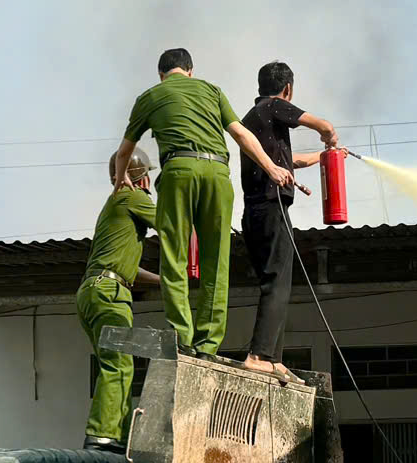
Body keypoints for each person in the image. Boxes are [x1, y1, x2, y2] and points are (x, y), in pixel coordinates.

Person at [111, 46, 290, 358]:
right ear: (190, 71)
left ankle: (182, 337)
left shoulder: (149, 97)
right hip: (217, 174)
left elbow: (125, 149)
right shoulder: (212, 91)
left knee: (174, 257)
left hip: (179, 171)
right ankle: (208, 344)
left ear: (161, 74)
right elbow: (241, 135)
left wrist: (120, 179)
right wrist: (271, 167)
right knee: (216, 261)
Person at [237, 61, 338, 376]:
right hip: (272, 206)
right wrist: (330, 138)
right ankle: (259, 355)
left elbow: (291, 161)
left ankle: (272, 357)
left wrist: (326, 157)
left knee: (274, 281)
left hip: (253, 213)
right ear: (288, 89)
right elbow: (323, 125)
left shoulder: (251, 119)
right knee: (278, 281)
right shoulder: (274, 106)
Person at [76, 152, 162, 449]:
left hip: (95, 289)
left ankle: (114, 438)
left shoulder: (114, 205)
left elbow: (124, 268)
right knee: (119, 364)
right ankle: (103, 435)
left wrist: (161, 281)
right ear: (144, 178)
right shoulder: (132, 197)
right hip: (110, 293)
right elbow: (170, 225)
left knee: (113, 364)